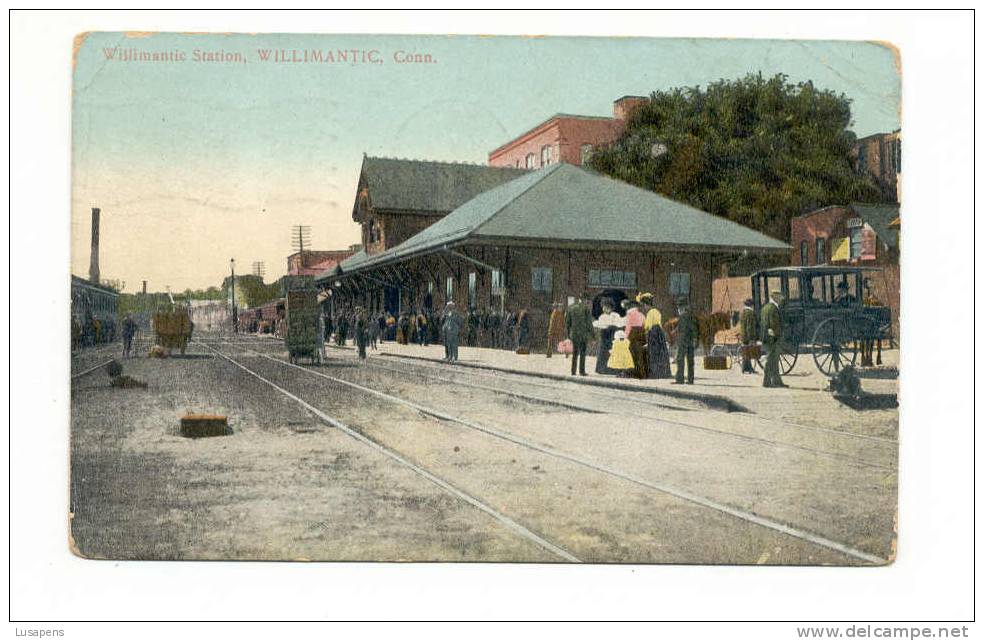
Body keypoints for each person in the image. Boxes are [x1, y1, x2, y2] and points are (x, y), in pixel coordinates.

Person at [760, 290, 787, 388]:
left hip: (766, 338)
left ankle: (776, 381)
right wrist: (778, 335)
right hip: (773, 338)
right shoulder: (774, 308)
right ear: (774, 297)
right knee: (771, 360)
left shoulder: (765, 308)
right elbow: (774, 324)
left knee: (774, 360)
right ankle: (766, 382)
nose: (780, 298)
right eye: (779, 296)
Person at [642, 295, 672, 379]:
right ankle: (663, 372)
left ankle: (655, 373)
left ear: (647, 304)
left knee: (653, 353)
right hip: (659, 334)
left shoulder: (650, 313)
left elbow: (648, 327)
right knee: (661, 353)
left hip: (653, 334)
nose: (644, 307)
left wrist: (647, 337)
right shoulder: (657, 311)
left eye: (644, 305)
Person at [565, 293, 595, 376]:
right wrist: (593, 336)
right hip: (583, 335)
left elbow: (567, 323)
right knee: (582, 353)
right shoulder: (586, 308)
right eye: (587, 300)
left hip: (574, 334)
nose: (588, 302)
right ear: (585, 299)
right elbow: (589, 324)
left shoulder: (571, 307)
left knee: (575, 353)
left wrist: (568, 335)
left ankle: (573, 371)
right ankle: (582, 371)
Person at [593, 300, 622, 375]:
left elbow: (618, 324)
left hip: (612, 335)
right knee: (603, 352)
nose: (605, 309)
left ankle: (612, 369)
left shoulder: (615, 315)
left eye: (607, 307)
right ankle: (602, 369)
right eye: (604, 307)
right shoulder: (602, 316)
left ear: (611, 308)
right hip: (604, 335)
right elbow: (600, 325)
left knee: (612, 351)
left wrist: (612, 326)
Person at [673, 300, 697, 385]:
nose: (678, 309)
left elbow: (683, 331)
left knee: (680, 360)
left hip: (683, 341)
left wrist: (680, 342)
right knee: (690, 361)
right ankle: (690, 379)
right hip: (690, 341)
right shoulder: (691, 316)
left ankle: (680, 379)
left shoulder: (682, 317)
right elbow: (693, 329)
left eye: (679, 307)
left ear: (682, 308)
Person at [624, 299, 648, 379]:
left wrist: (626, 336)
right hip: (641, 335)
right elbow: (645, 324)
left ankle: (637, 372)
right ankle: (642, 373)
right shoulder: (641, 314)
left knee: (634, 354)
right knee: (640, 354)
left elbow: (628, 326)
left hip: (633, 335)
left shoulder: (629, 314)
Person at [739, 298, 758, 374]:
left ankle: (745, 368)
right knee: (748, 352)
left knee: (745, 351)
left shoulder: (743, 312)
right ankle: (748, 368)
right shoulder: (750, 313)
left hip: (743, 335)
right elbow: (749, 326)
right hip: (748, 336)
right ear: (751, 305)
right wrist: (751, 338)